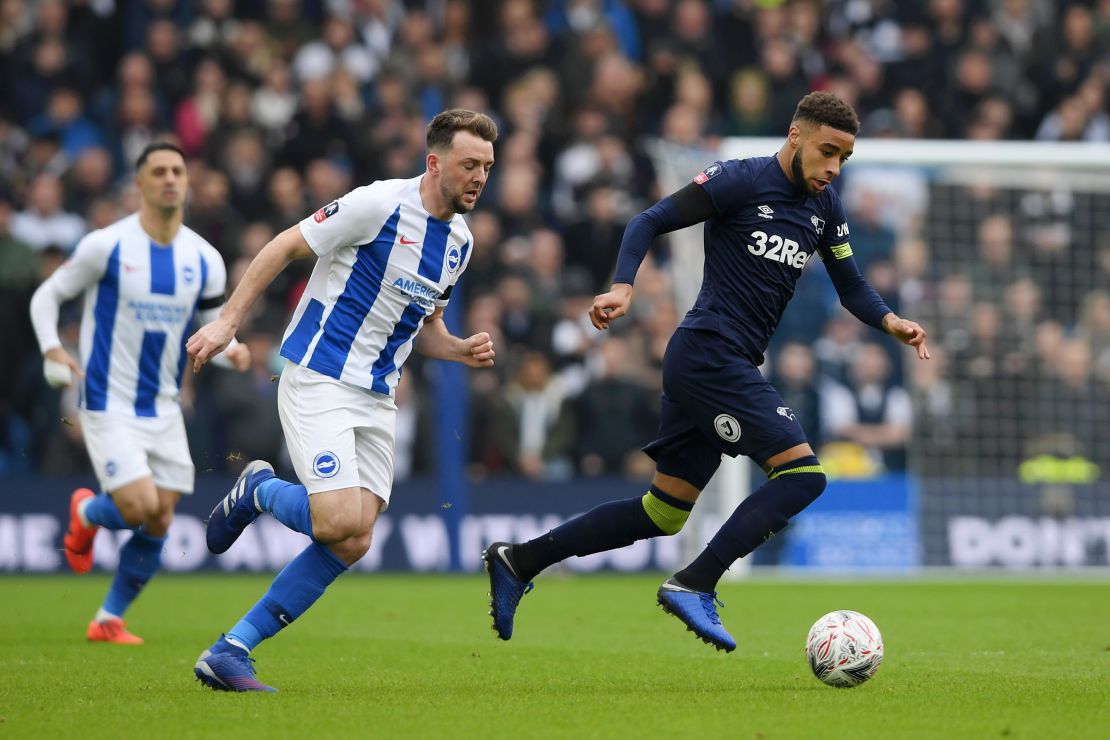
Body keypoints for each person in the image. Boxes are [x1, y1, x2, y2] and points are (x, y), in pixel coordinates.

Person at [482, 92, 930, 652]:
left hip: (720, 361)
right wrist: (623, 285)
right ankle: (695, 581)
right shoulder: (740, 180)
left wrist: (890, 321)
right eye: (827, 151)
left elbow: (852, 286)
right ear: (796, 136)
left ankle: (520, 559)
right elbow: (650, 220)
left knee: (663, 511)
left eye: (845, 157)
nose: (835, 167)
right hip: (708, 353)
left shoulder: (825, 208)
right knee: (804, 475)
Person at [185, 109, 498, 692]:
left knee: (354, 538)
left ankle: (231, 650)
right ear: (435, 163)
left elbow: (425, 326)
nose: (480, 176)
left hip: (378, 396)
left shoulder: (460, 241)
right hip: (320, 376)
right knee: (334, 520)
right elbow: (283, 245)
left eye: (487, 166)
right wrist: (229, 320)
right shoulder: (376, 205)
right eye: (469, 165)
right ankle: (259, 489)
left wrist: (457, 349)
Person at [29, 142, 251, 644]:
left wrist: (232, 347)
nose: (170, 178)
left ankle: (108, 618)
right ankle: (87, 512)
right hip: (108, 401)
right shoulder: (105, 246)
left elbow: (212, 322)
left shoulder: (205, 258)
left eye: (178, 170)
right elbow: (48, 295)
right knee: (138, 506)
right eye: (159, 171)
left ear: (187, 182)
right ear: (141, 183)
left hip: (165, 406)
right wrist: (50, 349)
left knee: (161, 516)